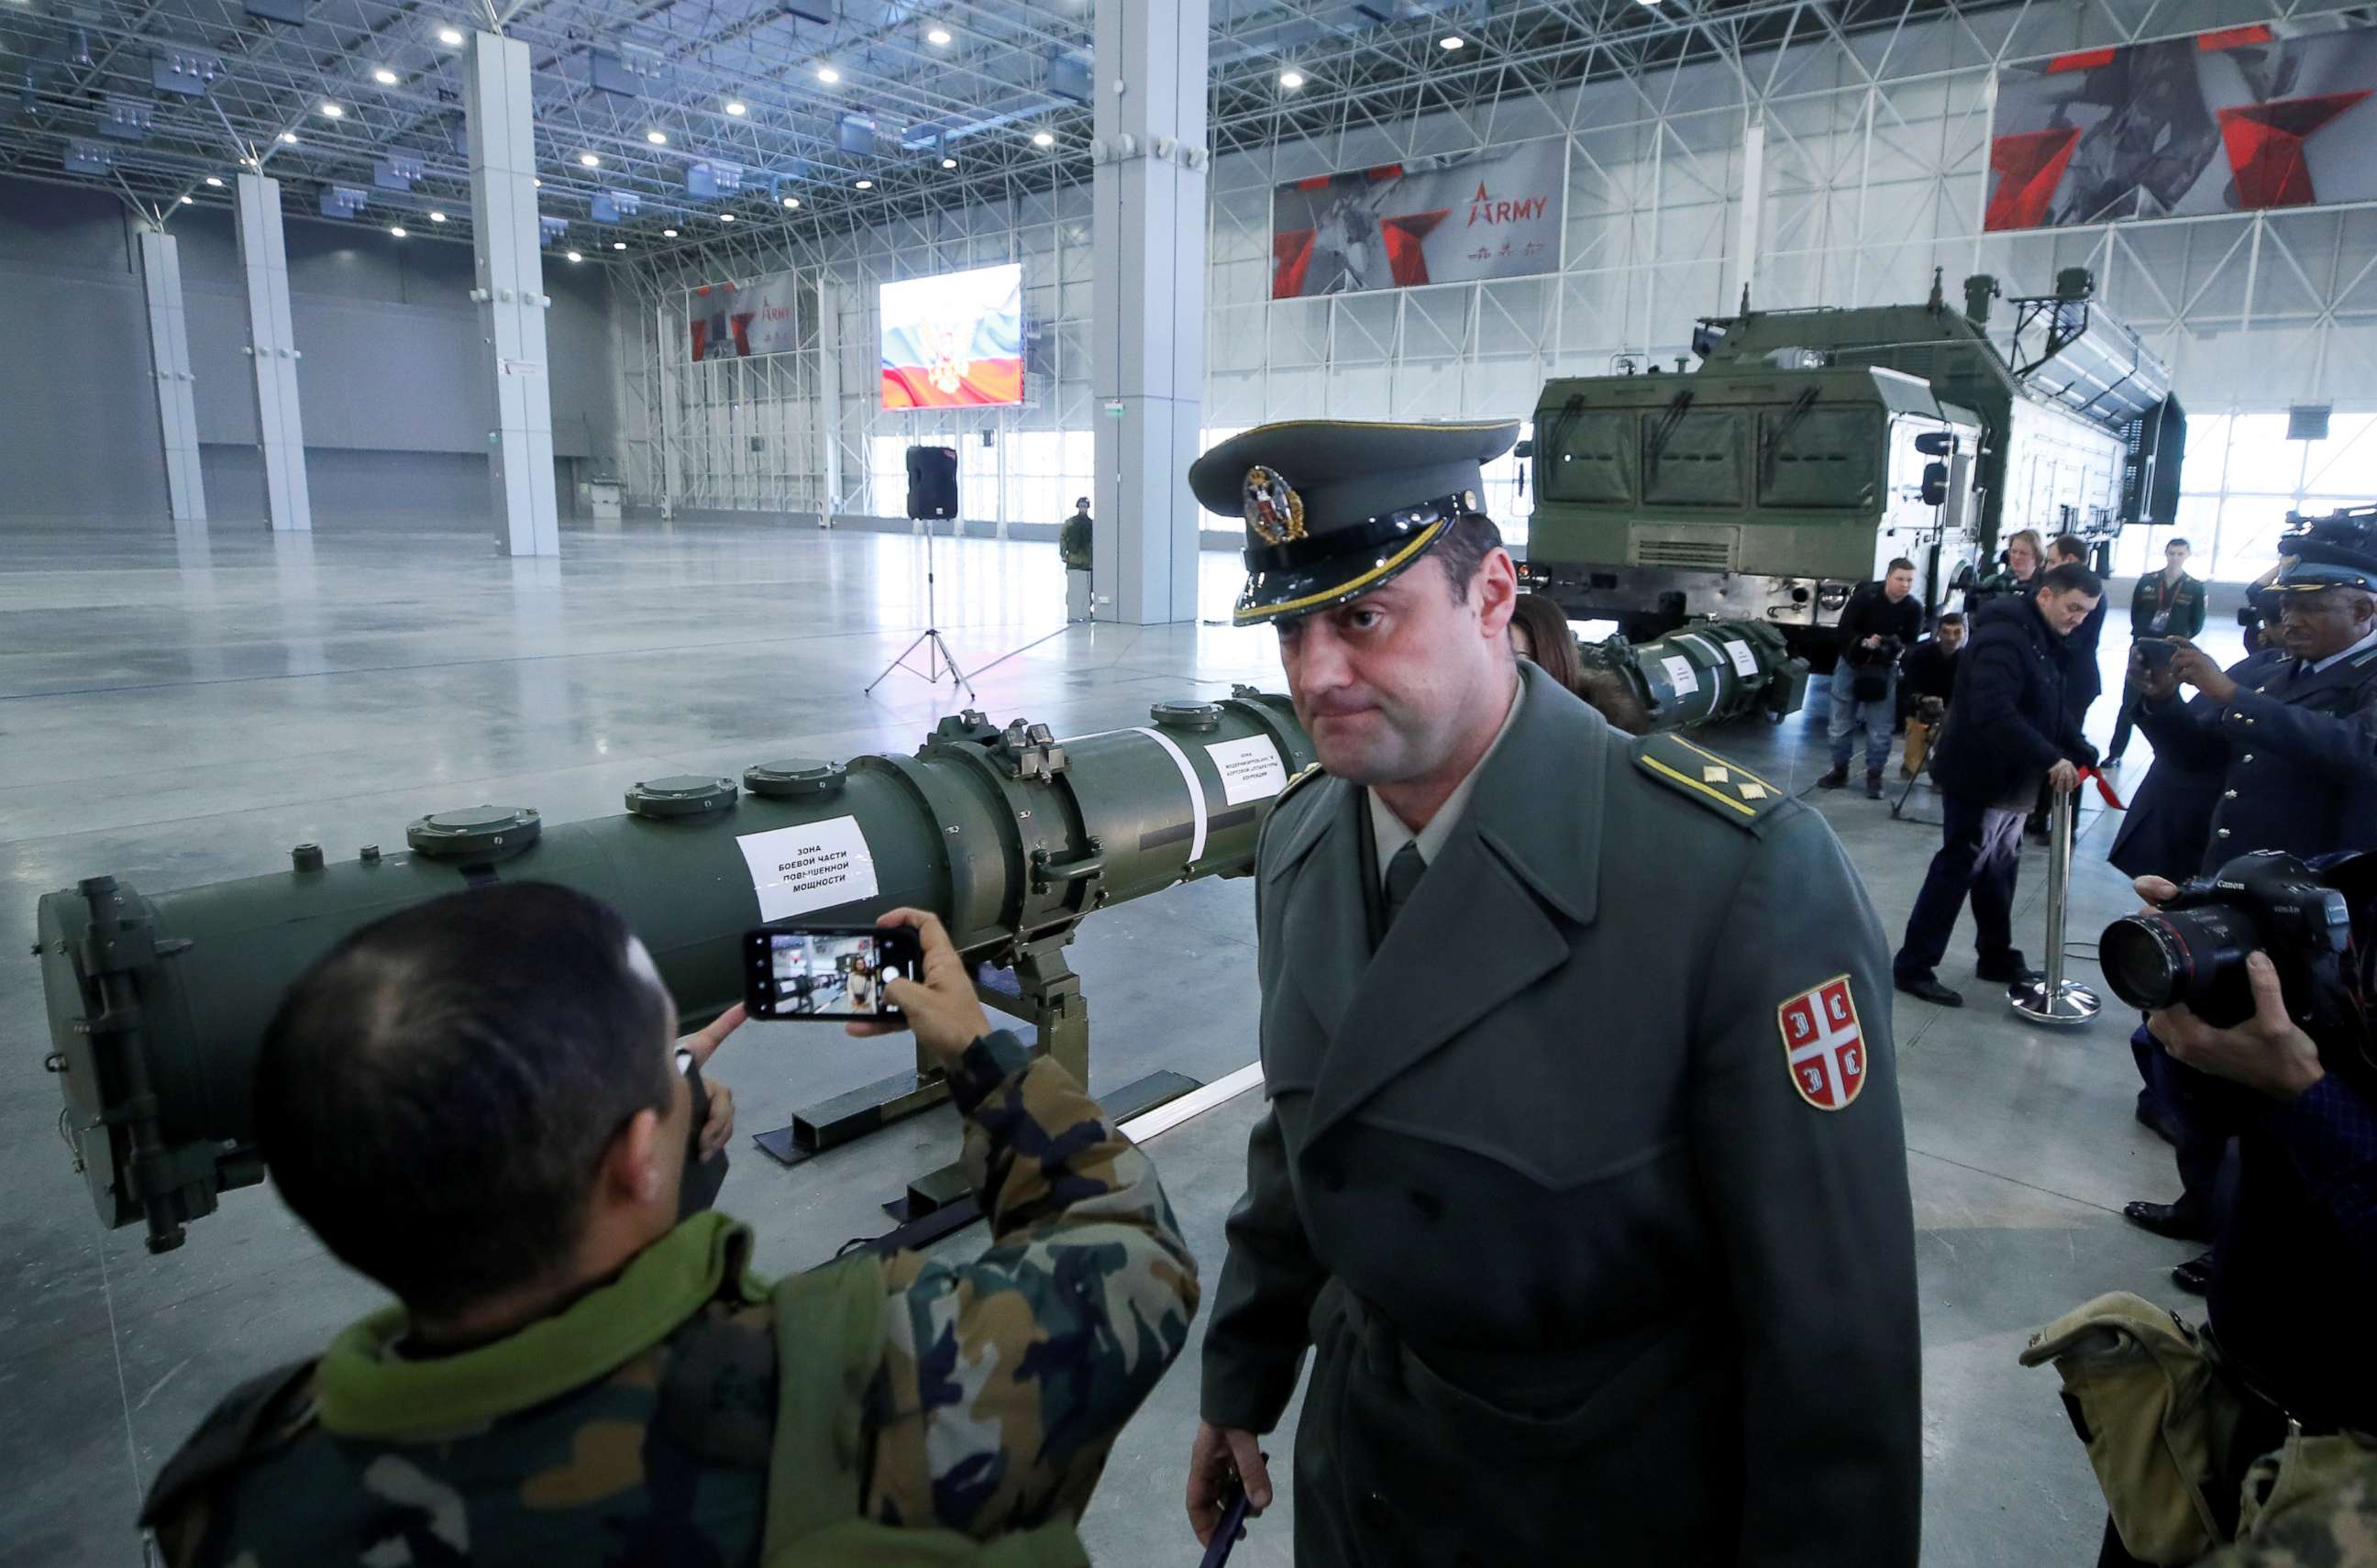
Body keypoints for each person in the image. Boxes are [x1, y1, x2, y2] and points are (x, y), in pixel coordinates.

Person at [1180, 419, 1922, 1565]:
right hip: (1359, 1481)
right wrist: (1242, 1376)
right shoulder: (1304, 843)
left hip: (1587, 1508)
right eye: (1290, 628)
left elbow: (1836, 1348)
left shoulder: (1735, 880)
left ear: (1490, 594)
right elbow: (1304, 1156)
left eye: (1362, 617)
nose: (1314, 674)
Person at [141, 884, 1198, 1566]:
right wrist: (976, 1047)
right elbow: (1132, 1247)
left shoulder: (227, 1491)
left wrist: (649, 1190)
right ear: (635, 1158)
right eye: (671, 1059)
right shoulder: (870, 1386)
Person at [2094, 852, 2377, 1567]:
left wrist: (2305, 1092)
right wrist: (2190, 1024)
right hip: (2226, 1395)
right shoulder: (2352, 883)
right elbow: (2210, 1119)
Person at [2114, 513, 2377, 1281]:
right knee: (2187, 1060)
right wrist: (2163, 702)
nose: (2284, 619)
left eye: (2308, 603)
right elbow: (2200, 755)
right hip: (2229, 904)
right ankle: (2204, 1204)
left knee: (2279, 1089)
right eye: (2280, 603)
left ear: (2365, 609)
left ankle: (2244, 1244)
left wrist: (2231, 692)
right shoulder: (2270, 672)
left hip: (2319, 926)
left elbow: (2359, 755)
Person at [1893, 562, 2103, 1007]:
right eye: (2073, 608)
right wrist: (2050, 756)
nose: (2078, 619)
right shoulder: (2004, 639)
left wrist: (2076, 744)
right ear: (2045, 596)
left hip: (2013, 780)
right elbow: (1994, 712)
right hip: (1981, 775)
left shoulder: (2042, 638)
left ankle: (1995, 955)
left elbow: (2048, 701)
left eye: (2086, 612)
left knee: (1999, 868)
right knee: (1959, 866)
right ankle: (1914, 965)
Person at [1821, 558, 1923, 798]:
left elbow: (1912, 644)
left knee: (1880, 727)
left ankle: (1874, 776)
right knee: (1840, 722)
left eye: (1909, 580)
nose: (1905, 585)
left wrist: (1897, 649)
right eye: (1900, 579)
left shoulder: (1913, 608)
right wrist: (1864, 642)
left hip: (1884, 669)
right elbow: (1844, 630)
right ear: (1888, 577)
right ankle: (1839, 769)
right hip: (1852, 663)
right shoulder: (1864, 599)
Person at [2105, 536, 2208, 763]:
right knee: (2130, 699)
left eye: (2180, 554)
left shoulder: (2194, 587)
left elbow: (2197, 622)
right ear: (2166, 554)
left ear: (2187, 556)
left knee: (2167, 700)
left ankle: (2167, 752)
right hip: (2143, 645)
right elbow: (2136, 611)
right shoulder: (2147, 582)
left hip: (2172, 649)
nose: (2175, 558)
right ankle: (2115, 753)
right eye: (2171, 553)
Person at [1897, 612, 1965, 779]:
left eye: (1957, 632)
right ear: (1938, 633)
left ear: (1965, 634)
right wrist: (1922, 700)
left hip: (1952, 718)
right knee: (1915, 766)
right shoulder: (1920, 656)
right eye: (1946, 632)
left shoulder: (1969, 660)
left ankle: (1942, 771)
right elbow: (1906, 691)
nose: (1951, 638)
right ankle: (1914, 761)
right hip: (1920, 714)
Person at [1969, 527, 2044, 606]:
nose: (2017, 557)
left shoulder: (2045, 586)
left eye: (2023, 553)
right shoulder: (1994, 582)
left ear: (2036, 556)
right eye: (2013, 552)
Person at [1061, 495, 1094, 621]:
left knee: (1087, 590)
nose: (1083, 509)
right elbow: (1063, 538)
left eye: (1085, 507)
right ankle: (1073, 613)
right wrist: (1063, 554)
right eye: (1081, 506)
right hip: (1073, 561)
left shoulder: (1091, 524)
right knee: (1073, 590)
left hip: (1087, 562)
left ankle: (1086, 613)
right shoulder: (1070, 523)